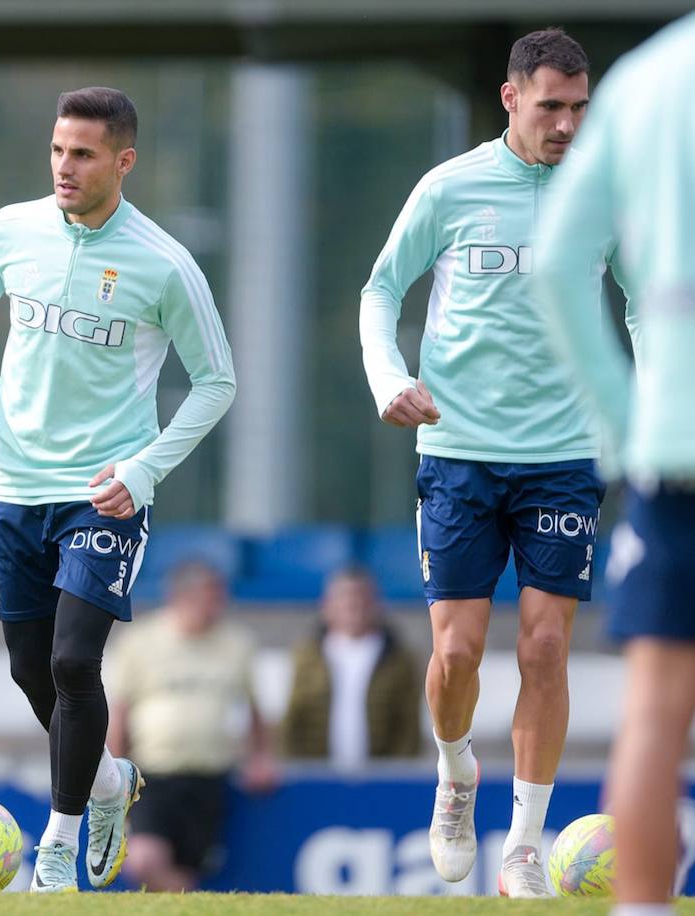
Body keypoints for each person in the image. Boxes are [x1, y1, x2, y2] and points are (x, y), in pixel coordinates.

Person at [0, 87, 236, 892]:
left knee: (71, 660)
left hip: (105, 493)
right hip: (17, 486)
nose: (65, 166)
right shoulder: (11, 230)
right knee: (30, 670)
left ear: (123, 161)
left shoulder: (163, 262)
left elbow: (217, 380)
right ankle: (105, 783)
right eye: (58, 149)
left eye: (83, 154)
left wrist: (144, 468)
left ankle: (57, 849)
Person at [358, 28, 631, 897]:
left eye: (579, 108)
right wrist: (388, 378)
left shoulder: (601, 191)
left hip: (562, 455)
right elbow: (379, 289)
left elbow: (647, 305)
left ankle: (521, 845)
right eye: (551, 106)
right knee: (457, 658)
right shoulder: (450, 187)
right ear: (512, 98)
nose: (567, 125)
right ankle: (453, 769)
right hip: (459, 452)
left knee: (546, 646)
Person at [533, 13, 695, 914]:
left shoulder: (647, 77)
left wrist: (626, 423)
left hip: (676, 449)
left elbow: (557, 263)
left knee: (657, 714)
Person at [104, 561, 276, 891]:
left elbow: (255, 708)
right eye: (209, 598)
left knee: (190, 866)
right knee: (142, 859)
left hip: (209, 776)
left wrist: (261, 756)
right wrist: (115, 775)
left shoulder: (237, 643)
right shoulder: (140, 641)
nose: (216, 607)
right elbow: (120, 713)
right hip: (152, 775)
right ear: (181, 597)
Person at [282, 567, 421, 767]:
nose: (353, 605)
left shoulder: (399, 659)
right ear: (327, 605)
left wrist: (396, 772)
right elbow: (293, 718)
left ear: (376, 604)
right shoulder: (306, 656)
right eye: (344, 597)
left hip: (381, 776)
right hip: (317, 774)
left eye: (361, 597)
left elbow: (408, 727)